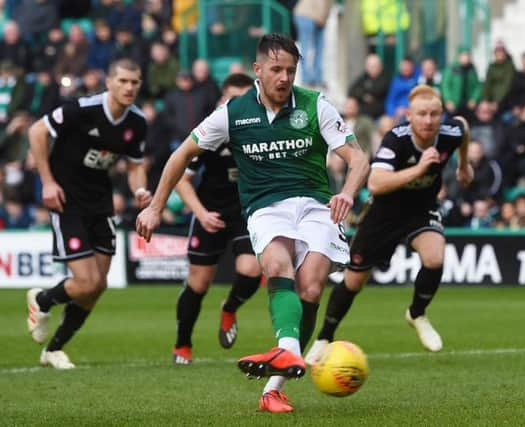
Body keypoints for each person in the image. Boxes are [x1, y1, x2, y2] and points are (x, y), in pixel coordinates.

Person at [135, 33, 369, 413]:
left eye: (290, 71)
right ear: (257, 70)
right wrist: (156, 206)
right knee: (277, 264)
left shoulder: (315, 105)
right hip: (266, 207)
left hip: (316, 206)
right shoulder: (233, 112)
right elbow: (181, 154)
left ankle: (274, 386)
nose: (284, 78)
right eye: (276, 69)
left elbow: (358, 158)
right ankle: (288, 355)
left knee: (310, 290)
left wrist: (348, 192)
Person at [305, 85, 473, 362]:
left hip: (422, 208)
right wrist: (419, 169)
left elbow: (464, 128)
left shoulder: (450, 132)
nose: (429, 120)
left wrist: (463, 165)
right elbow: (376, 183)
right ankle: (324, 336)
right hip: (384, 214)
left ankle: (417, 314)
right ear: (409, 115)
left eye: (435, 114)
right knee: (354, 280)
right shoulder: (396, 139)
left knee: (434, 257)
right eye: (422, 114)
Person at [26, 58, 151, 369]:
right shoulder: (81, 109)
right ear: (108, 82)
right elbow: (36, 132)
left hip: (101, 203)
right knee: (85, 282)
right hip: (66, 201)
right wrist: (47, 182)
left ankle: (53, 349)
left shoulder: (137, 123)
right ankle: (41, 301)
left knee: (98, 287)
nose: (129, 87)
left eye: (135, 82)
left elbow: (136, 166)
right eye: (123, 81)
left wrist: (138, 190)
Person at [171, 73, 263, 365]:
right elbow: (182, 180)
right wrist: (201, 213)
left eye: (247, 98)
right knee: (198, 284)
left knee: (251, 269)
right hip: (209, 211)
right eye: (234, 99)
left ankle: (230, 307)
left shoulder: (263, 129)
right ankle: (182, 345)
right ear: (223, 100)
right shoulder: (209, 131)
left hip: (246, 213)